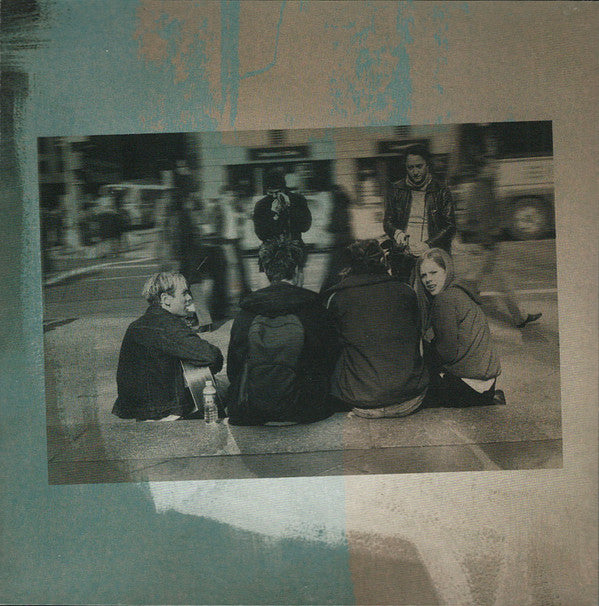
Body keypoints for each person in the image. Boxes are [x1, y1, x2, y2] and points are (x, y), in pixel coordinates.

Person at [226, 236, 338, 426]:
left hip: (253, 409)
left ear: (266, 273)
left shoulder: (246, 312)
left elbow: (233, 368)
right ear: (297, 271)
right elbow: (330, 361)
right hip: (307, 409)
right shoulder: (314, 309)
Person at [324, 239, 429, 418]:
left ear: (350, 267)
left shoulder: (337, 298)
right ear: (383, 261)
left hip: (361, 399)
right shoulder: (406, 291)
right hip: (410, 397)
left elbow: (331, 348)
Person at [453, 130, 542, 328]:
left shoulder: (486, 186)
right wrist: (489, 244)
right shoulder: (481, 189)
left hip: (486, 245)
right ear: (485, 168)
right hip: (483, 246)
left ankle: (519, 317)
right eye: (493, 166)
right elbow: (478, 219)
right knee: (470, 283)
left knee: (496, 282)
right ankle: (454, 313)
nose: (497, 169)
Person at [112, 272, 224, 421]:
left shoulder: (137, 325)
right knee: (232, 386)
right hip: (164, 410)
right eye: (184, 293)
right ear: (166, 299)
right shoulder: (166, 325)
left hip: (137, 409)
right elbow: (211, 356)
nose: (189, 298)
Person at [415, 248, 506, 408]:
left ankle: (488, 400)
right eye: (423, 275)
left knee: (410, 394)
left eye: (434, 272)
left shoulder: (444, 300)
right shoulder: (460, 291)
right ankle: (492, 397)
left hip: (467, 387)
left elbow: (447, 353)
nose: (428, 279)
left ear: (447, 271)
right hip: (486, 384)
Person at [383, 144, 456, 271]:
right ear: (406, 167)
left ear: (427, 165)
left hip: (433, 254)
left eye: (419, 166)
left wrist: (428, 244)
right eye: (410, 167)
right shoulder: (396, 189)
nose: (415, 172)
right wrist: (397, 233)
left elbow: (450, 226)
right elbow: (387, 221)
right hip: (404, 256)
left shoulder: (441, 190)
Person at [252, 167, 312, 244]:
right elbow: (261, 235)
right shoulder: (261, 205)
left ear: (284, 189)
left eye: (277, 192)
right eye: (270, 193)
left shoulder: (298, 200)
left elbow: (305, 227)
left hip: (294, 244)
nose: (274, 196)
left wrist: (290, 208)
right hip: (271, 246)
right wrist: (273, 214)